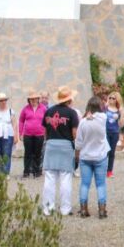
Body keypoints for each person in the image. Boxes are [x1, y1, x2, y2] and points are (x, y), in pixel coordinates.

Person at [41, 86, 79, 216]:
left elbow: (45, 131)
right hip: (65, 145)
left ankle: (48, 208)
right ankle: (65, 208)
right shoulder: (72, 113)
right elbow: (74, 133)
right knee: (65, 177)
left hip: (51, 144)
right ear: (69, 100)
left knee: (49, 177)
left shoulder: (49, 111)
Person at [75, 96, 111, 218]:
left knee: (85, 184)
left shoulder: (83, 122)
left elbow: (78, 142)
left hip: (85, 156)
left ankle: (83, 208)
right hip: (100, 155)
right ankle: (102, 209)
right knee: (101, 184)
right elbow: (105, 112)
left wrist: (77, 155)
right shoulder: (103, 119)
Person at [18, 91, 47, 178]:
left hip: (40, 134)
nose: (33, 100)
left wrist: (46, 132)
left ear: (38, 99)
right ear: (29, 100)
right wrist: (20, 133)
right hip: (28, 135)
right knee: (28, 153)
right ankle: (26, 171)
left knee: (38, 154)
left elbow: (47, 121)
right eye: (31, 99)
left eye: (35, 98)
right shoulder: (25, 109)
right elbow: (21, 121)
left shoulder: (43, 108)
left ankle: (36, 171)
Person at [103, 92, 122, 178]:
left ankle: (109, 171)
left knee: (112, 152)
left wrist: (121, 114)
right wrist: (104, 106)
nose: (111, 99)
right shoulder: (105, 108)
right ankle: (102, 169)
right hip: (106, 131)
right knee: (105, 151)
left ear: (116, 100)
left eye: (113, 98)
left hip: (115, 132)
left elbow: (121, 124)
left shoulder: (119, 110)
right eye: (110, 97)